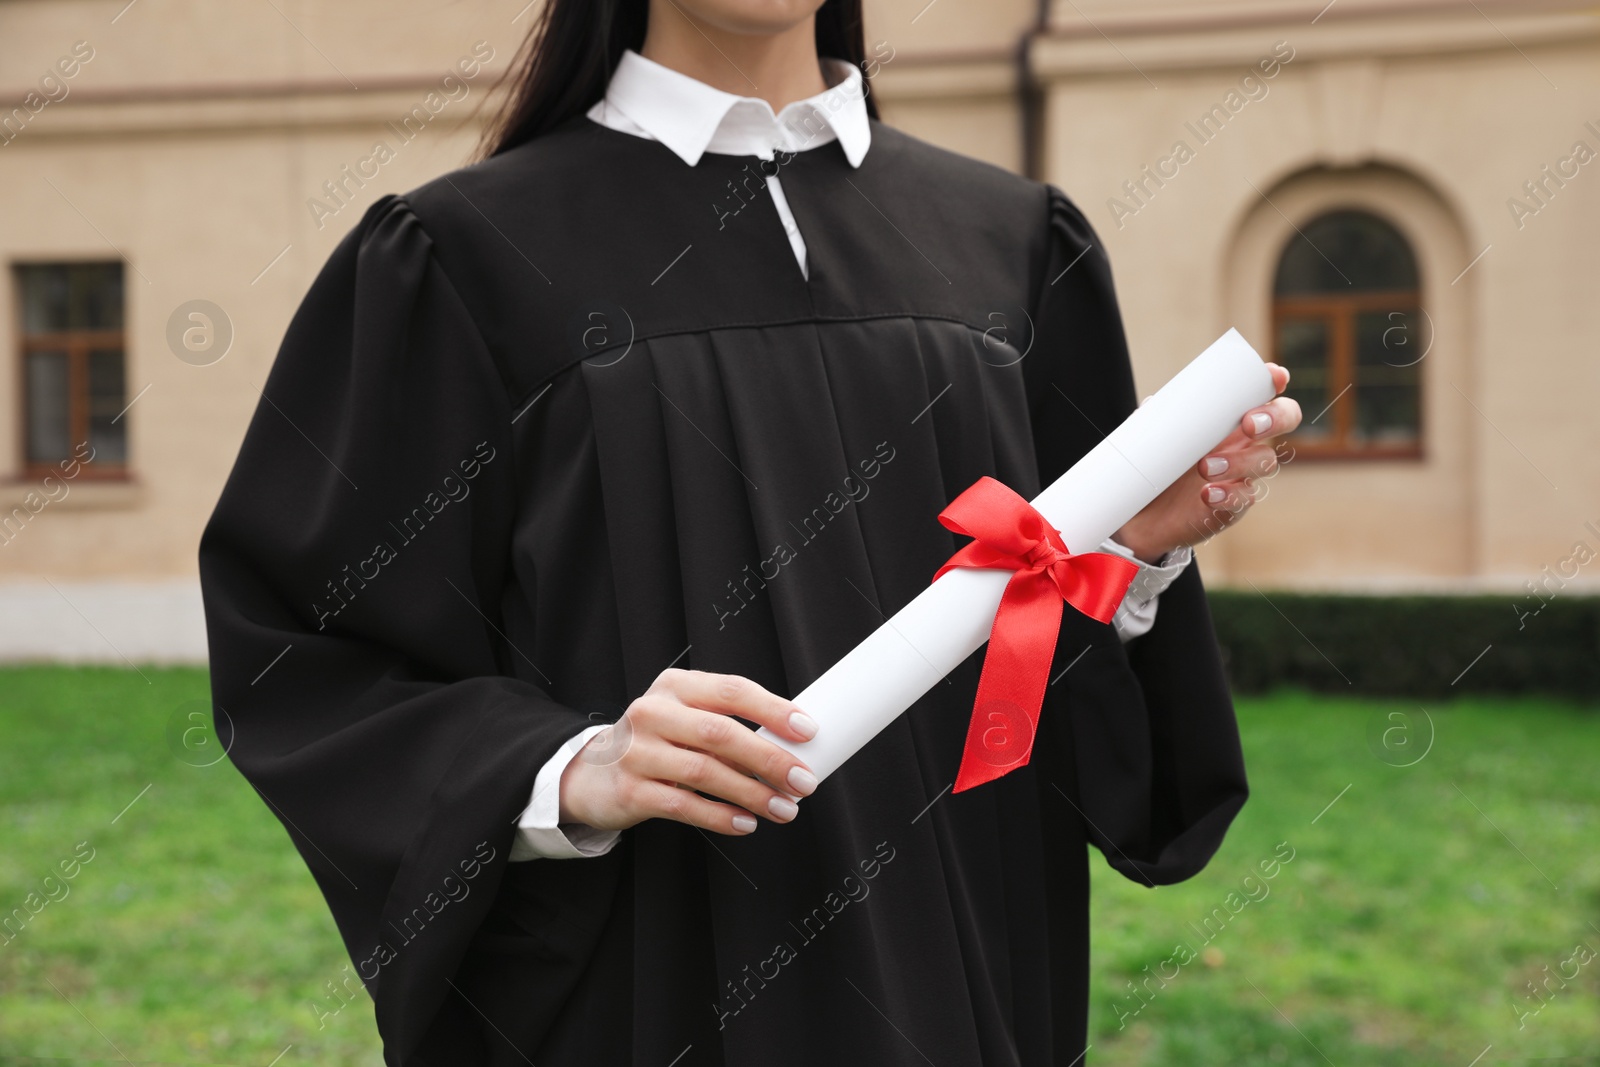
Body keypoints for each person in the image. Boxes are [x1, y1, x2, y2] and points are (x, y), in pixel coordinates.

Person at [198, 0, 1302, 1062]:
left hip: (960, 971)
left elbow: (1051, 685)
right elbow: (310, 653)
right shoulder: (466, 257)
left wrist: (1132, 554)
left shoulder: (1011, 245)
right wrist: (570, 762)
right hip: (646, 981)